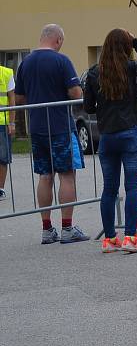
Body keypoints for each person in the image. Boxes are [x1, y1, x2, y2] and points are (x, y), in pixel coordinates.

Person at [15, 24, 88, 244]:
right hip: (60, 127)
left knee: (45, 176)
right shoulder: (61, 61)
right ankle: (67, 228)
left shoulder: (25, 62)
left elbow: (18, 98)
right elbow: (76, 93)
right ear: (57, 40)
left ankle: (47, 229)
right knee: (67, 175)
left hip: (36, 127)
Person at [84, 29, 137, 253]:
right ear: (126, 47)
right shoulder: (129, 67)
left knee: (109, 189)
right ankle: (130, 238)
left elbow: (87, 108)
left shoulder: (95, 73)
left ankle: (109, 239)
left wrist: (104, 110)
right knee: (132, 187)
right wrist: (136, 42)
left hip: (107, 136)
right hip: (130, 132)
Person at [0, 64, 15, 201]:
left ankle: (0, 188)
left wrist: (12, 122)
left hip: (2, 123)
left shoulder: (6, 73)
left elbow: (12, 99)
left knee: (3, 157)